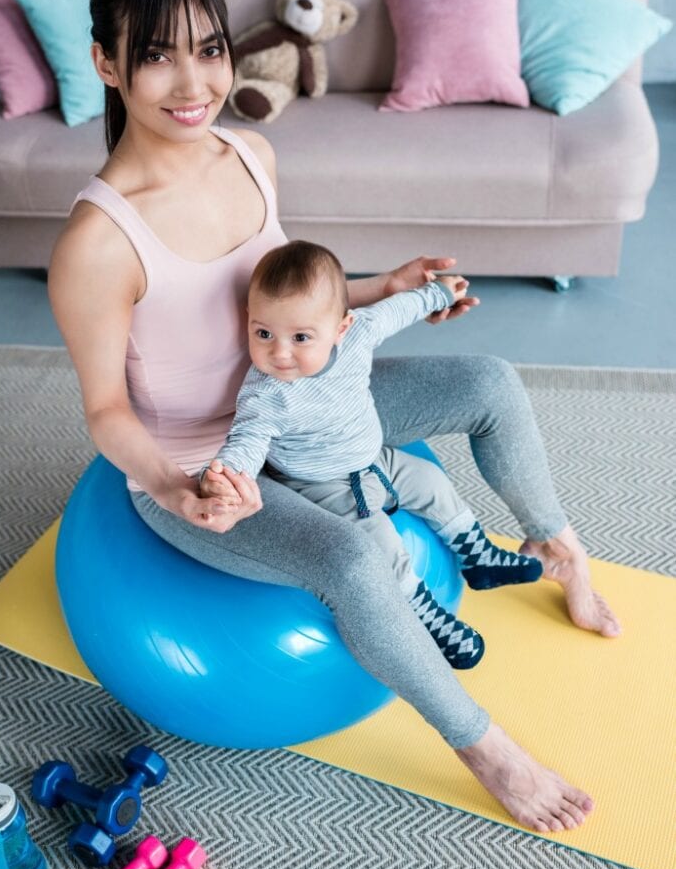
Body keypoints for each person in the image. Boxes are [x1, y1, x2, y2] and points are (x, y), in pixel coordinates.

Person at [48, 0, 621, 836]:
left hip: (301, 403)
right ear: (106, 65)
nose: (192, 82)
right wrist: (174, 486)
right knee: (357, 559)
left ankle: (561, 552)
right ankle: (487, 750)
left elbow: (283, 300)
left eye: (208, 47)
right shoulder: (96, 245)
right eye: (156, 55)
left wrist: (381, 290)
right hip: (208, 464)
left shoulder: (249, 156)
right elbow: (106, 412)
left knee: (488, 380)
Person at [200, 239, 545, 672]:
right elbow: (248, 438)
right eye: (263, 333)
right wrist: (229, 477)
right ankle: (429, 620)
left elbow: (396, 310)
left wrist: (439, 293)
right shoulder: (266, 394)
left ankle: (478, 555)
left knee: (434, 483)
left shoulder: (359, 333)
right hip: (322, 486)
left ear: (340, 328)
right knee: (384, 546)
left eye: (301, 337)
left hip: (374, 460)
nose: (279, 352)